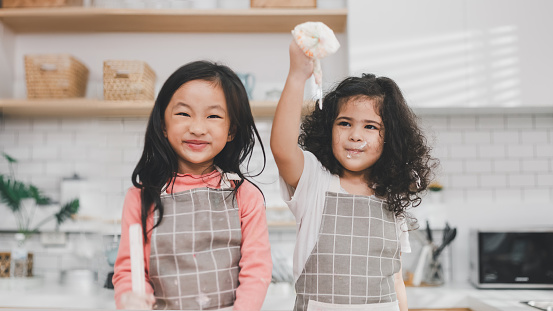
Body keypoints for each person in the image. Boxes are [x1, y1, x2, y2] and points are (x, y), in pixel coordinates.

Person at [270, 41, 436, 311]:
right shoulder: (314, 180)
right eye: (345, 122)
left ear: (390, 138)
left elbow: (395, 280)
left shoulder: (392, 198)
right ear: (328, 128)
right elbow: (282, 148)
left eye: (370, 126)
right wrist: (297, 76)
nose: (355, 135)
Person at [113, 61, 272, 310]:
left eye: (213, 116)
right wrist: (130, 298)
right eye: (183, 113)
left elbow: (256, 270)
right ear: (163, 124)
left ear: (231, 130)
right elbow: (129, 271)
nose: (197, 128)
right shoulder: (140, 198)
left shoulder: (245, 196)